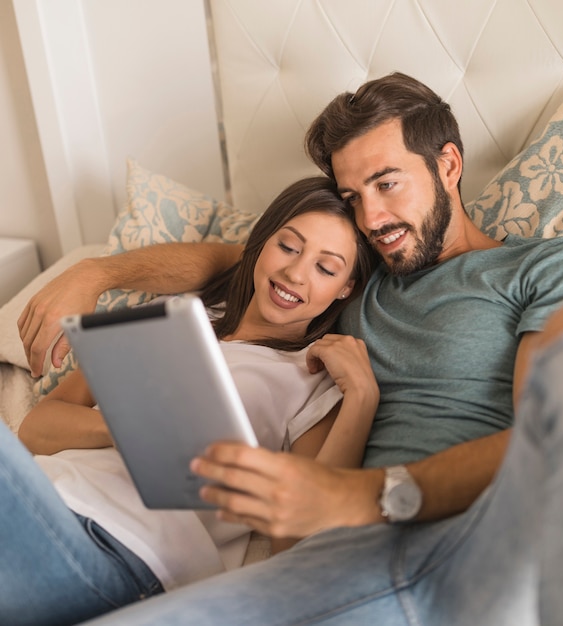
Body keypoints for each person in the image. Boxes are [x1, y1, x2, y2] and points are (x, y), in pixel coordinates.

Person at [18, 73, 563, 625]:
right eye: (353, 195)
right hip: (327, 561)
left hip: (454, 540)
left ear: (449, 165)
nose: (373, 216)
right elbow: (235, 258)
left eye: (386, 183)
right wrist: (98, 273)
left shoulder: (546, 267)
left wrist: (357, 495)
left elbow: (551, 440)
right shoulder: (357, 274)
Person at [1, 176, 379, 626]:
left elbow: (297, 541)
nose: (296, 273)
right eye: (289, 246)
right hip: (45, 490)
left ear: (346, 289)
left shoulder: (313, 378)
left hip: (121, 546)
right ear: (259, 245)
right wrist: (131, 428)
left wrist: (362, 398)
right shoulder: (179, 319)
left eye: (326, 267)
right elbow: (37, 428)